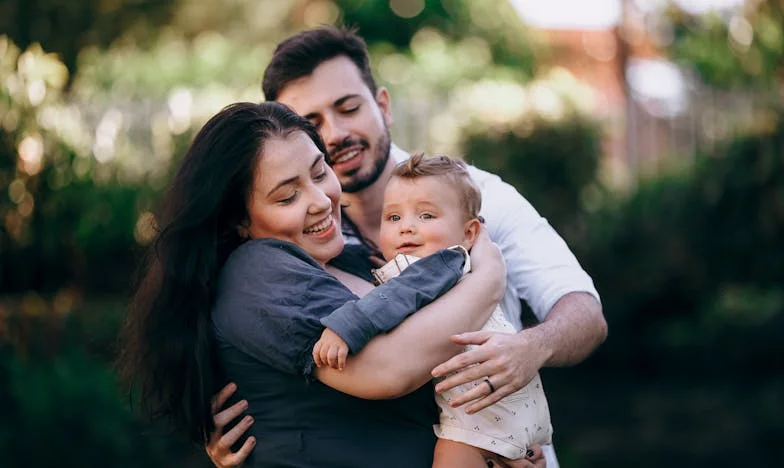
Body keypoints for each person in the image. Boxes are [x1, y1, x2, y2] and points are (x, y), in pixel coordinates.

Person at [207, 26, 607, 467]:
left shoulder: (475, 195)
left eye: (347, 108)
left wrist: (532, 348)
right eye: (314, 122)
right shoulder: (314, 243)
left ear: (382, 105)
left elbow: (585, 313)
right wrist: (257, 429)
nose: (336, 133)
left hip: (508, 442)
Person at [119, 100, 528, 467]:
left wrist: (496, 448)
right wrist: (488, 275)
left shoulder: (350, 258)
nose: (319, 200)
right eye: (286, 197)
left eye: (319, 172)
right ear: (238, 221)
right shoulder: (257, 272)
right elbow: (388, 369)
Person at [313, 153, 554, 467]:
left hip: (482, 410)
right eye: (394, 218)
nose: (407, 228)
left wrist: (345, 326)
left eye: (426, 216)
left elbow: (397, 297)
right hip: (504, 406)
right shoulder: (446, 269)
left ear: (469, 234)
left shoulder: (442, 263)